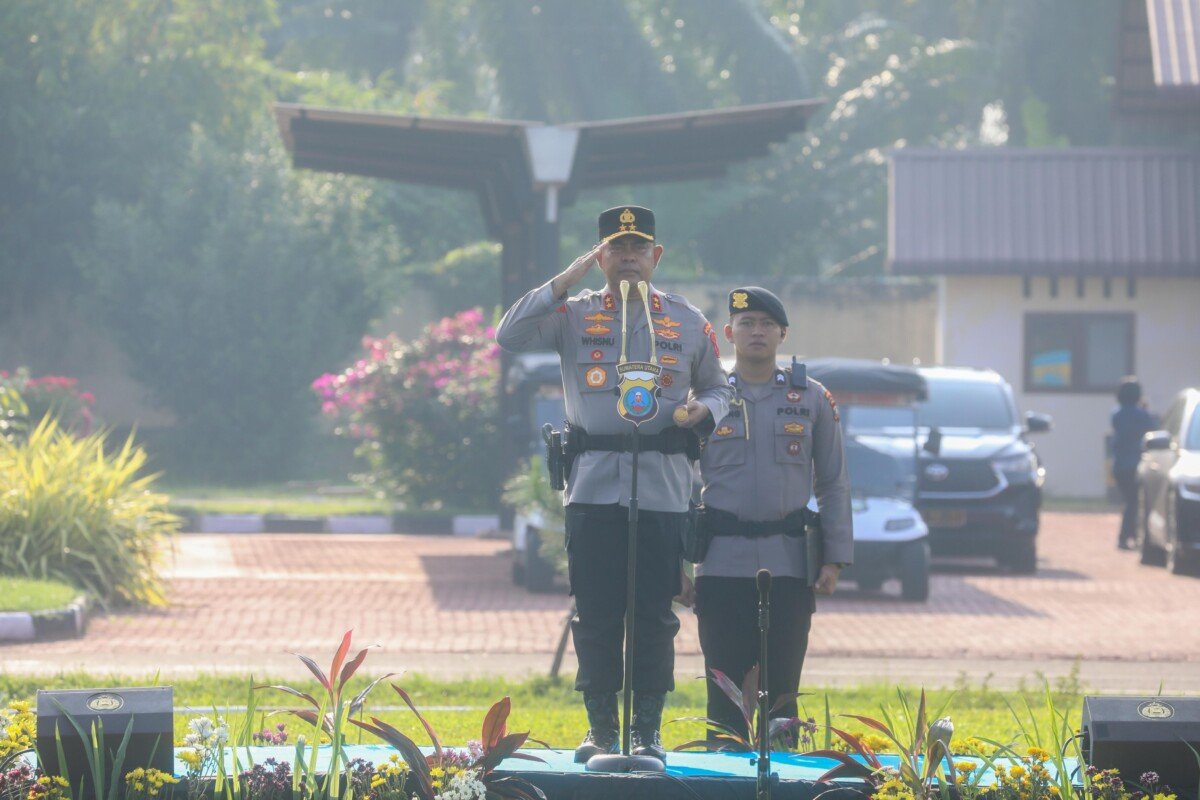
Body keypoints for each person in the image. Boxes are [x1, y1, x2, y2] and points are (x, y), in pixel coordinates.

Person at [495, 205, 732, 763]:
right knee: (596, 612)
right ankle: (601, 728)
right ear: (600, 255)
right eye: (615, 249)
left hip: (664, 487)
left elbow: (721, 388)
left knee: (654, 613)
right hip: (594, 486)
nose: (627, 257)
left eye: (637, 248)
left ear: (656, 255)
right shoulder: (573, 314)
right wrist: (567, 277)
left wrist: (706, 411)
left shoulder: (684, 319)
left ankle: (647, 730)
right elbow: (509, 333)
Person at [689, 286, 852, 747]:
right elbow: (674, 484)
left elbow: (834, 482)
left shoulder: (812, 397)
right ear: (728, 333)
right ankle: (723, 778)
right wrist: (672, 570)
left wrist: (834, 559)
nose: (756, 332)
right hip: (720, 564)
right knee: (723, 688)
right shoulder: (705, 398)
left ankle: (785, 778)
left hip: (788, 565)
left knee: (782, 689)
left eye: (766, 324)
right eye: (746, 323)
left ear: (783, 333)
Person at [1112, 377, 1154, 550]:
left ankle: (1131, 535)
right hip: (1135, 465)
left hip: (1119, 465)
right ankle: (1126, 536)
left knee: (1131, 501)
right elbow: (1152, 427)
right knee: (1134, 502)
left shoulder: (1116, 414)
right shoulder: (1141, 415)